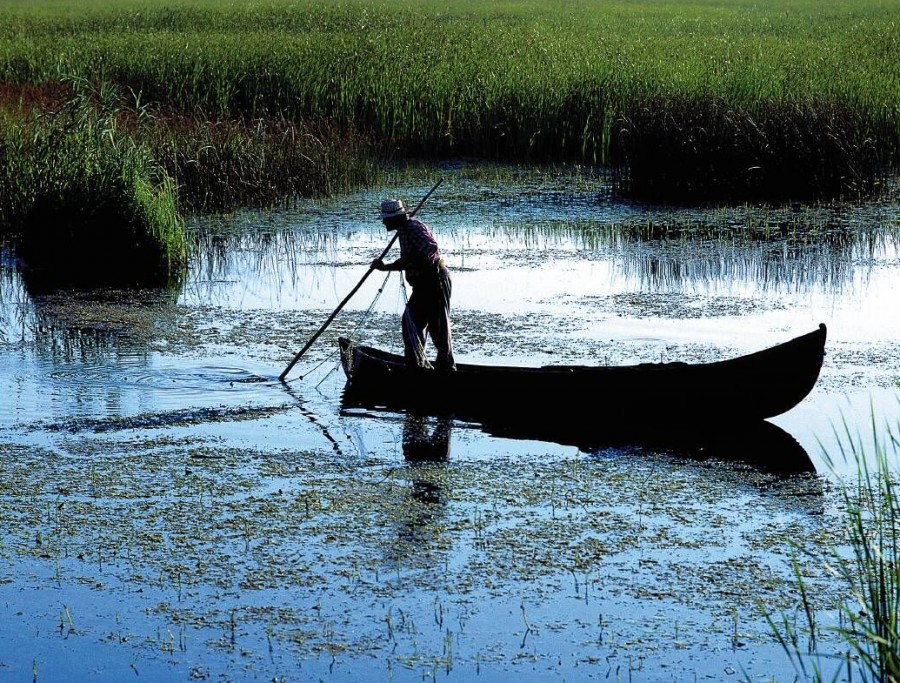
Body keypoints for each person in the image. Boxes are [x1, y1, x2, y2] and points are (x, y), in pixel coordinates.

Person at [371, 198, 456, 371]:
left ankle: (446, 369)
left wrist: (397, 264)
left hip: (434, 280)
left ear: (395, 218)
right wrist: (387, 267)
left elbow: (430, 248)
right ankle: (416, 366)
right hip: (422, 284)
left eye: (386, 218)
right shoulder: (403, 230)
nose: (383, 221)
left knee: (438, 327)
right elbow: (409, 260)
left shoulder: (414, 228)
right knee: (411, 322)